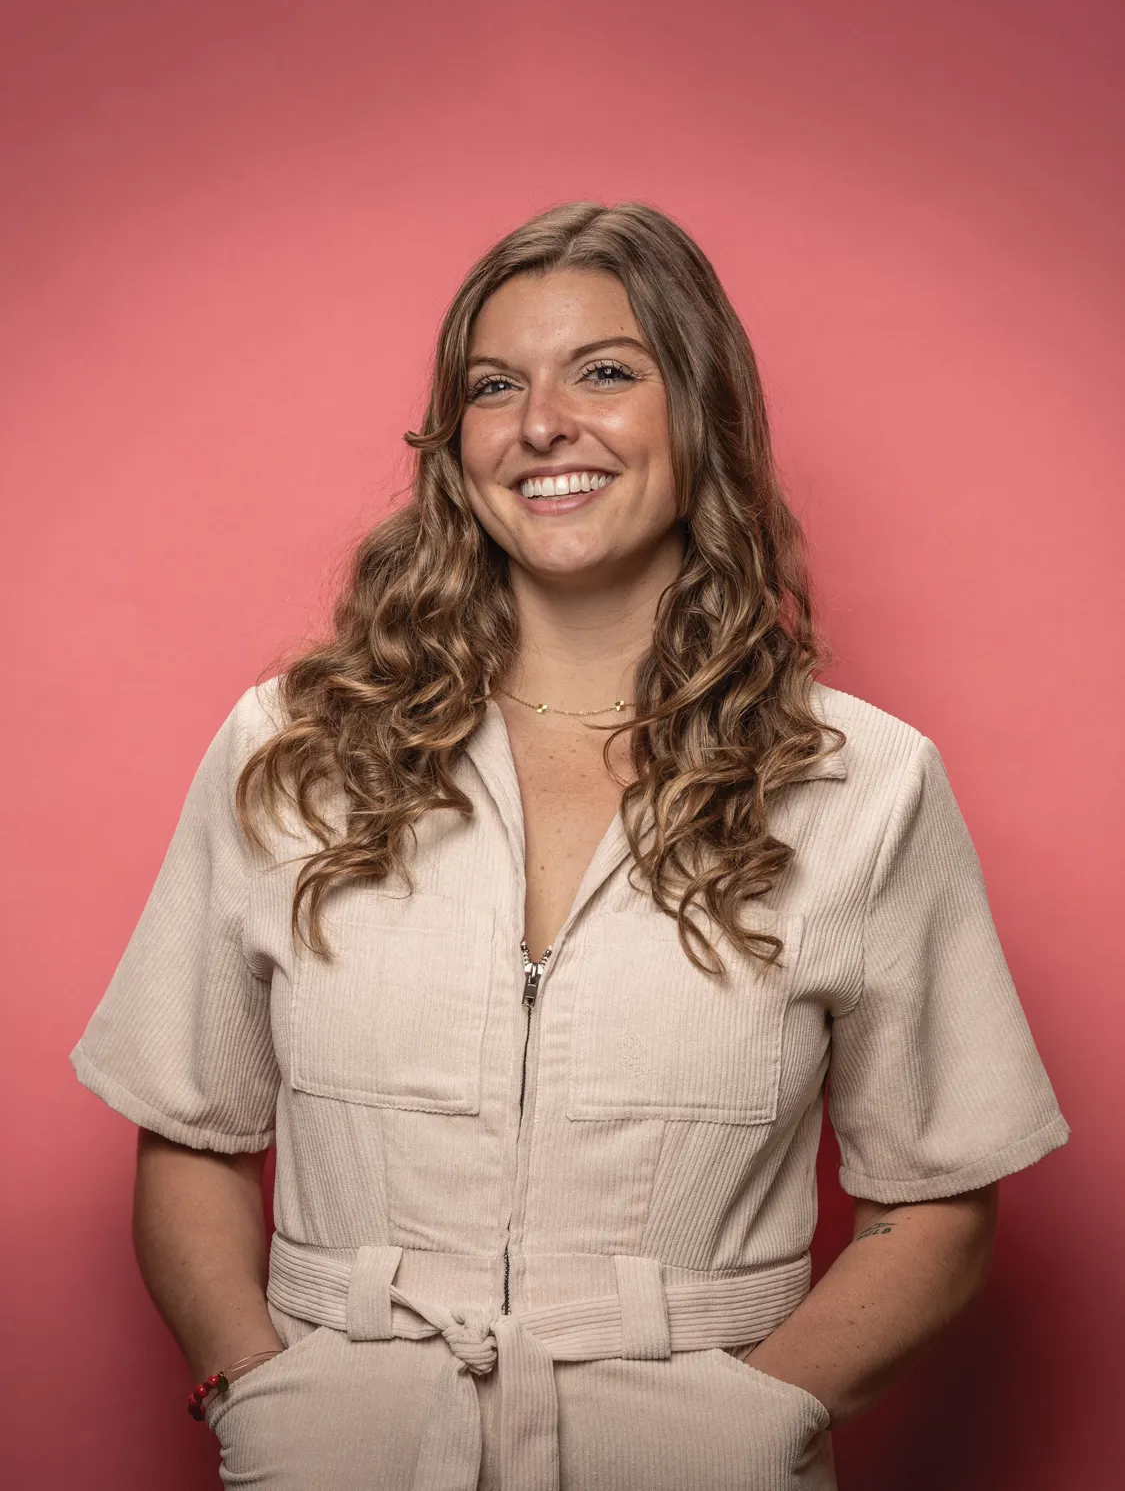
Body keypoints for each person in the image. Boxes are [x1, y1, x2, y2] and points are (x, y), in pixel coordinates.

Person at [71, 201, 1068, 1491]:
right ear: (456, 445)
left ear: (699, 412)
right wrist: (248, 1394)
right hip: (345, 1457)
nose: (544, 422)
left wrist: (759, 1425)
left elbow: (937, 1196)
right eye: (497, 386)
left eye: (605, 370)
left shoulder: (862, 782)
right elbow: (191, 1126)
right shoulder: (297, 749)